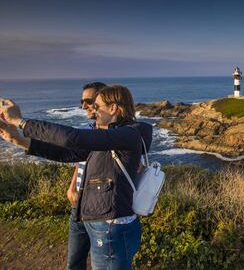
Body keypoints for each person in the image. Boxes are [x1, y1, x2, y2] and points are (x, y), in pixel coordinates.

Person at [0, 85, 152, 270]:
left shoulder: (128, 134)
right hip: (99, 219)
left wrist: (20, 121)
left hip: (111, 227)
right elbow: (67, 153)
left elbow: (73, 137)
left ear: (113, 108)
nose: (92, 111)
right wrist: (19, 141)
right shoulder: (109, 136)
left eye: (97, 106)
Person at [66, 81, 106, 270]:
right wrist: (72, 186)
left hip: (101, 208)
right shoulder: (89, 130)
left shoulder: (118, 134)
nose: (84, 106)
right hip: (79, 204)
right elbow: (81, 160)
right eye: (82, 101)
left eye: (89, 101)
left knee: (104, 264)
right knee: (74, 262)